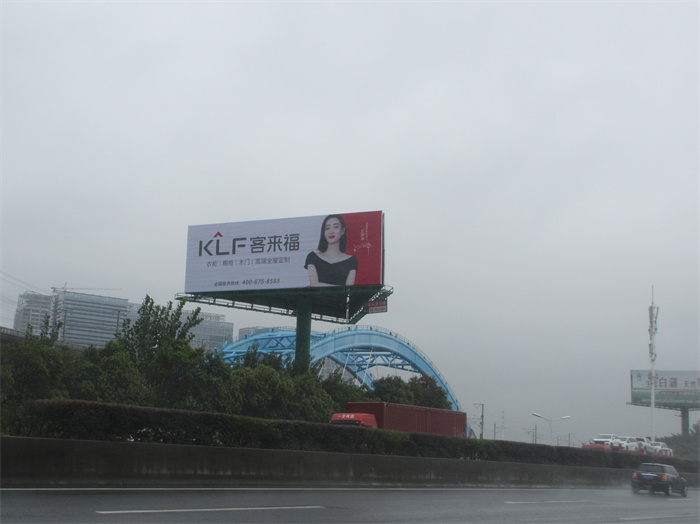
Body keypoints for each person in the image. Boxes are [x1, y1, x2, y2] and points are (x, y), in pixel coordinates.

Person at [305, 214, 358, 286]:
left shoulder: (351, 261)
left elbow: (348, 289)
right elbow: (314, 284)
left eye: (336, 227)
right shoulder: (313, 257)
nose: (331, 231)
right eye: (327, 228)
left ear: (342, 231)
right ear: (323, 232)